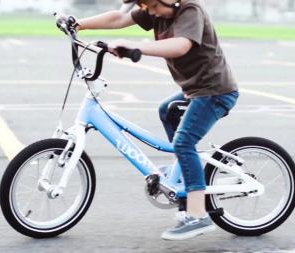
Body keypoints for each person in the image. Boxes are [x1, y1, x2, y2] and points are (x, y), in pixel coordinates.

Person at [61, 0, 239, 240]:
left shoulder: (190, 10)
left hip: (214, 91)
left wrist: (137, 47)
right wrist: (78, 24)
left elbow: (181, 45)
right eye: (145, 6)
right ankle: (184, 174)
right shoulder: (157, 11)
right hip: (194, 91)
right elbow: (119, 18)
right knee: (167, 111)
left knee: (184, 142)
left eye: (151, 6)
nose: (149, 12)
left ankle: (198, 216)